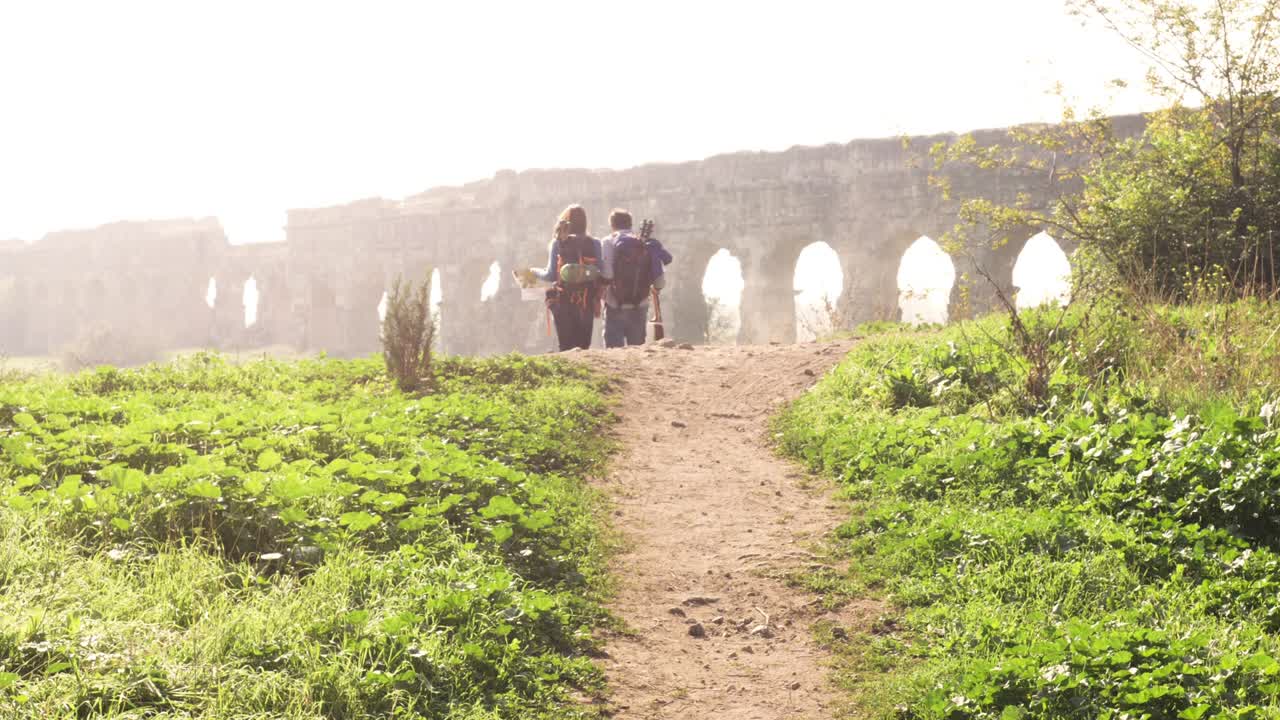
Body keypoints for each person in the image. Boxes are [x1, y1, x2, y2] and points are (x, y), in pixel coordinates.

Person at [521, 204, 602, 351]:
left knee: (566, 346)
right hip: (586, 301)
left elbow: (550, 274)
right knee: (583, 347)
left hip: (563, 301)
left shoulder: (557, 243)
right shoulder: (595, 243)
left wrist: (533, 271)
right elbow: (600, 271)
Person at [600, 209, 674, 348]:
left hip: (615, 304)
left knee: (614, 351)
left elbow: (608, 275)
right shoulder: (644, 243)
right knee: (637, 350)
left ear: (612, 225)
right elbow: (659, 279)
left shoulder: (609, 242)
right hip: (640, 304)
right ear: (630, 224)